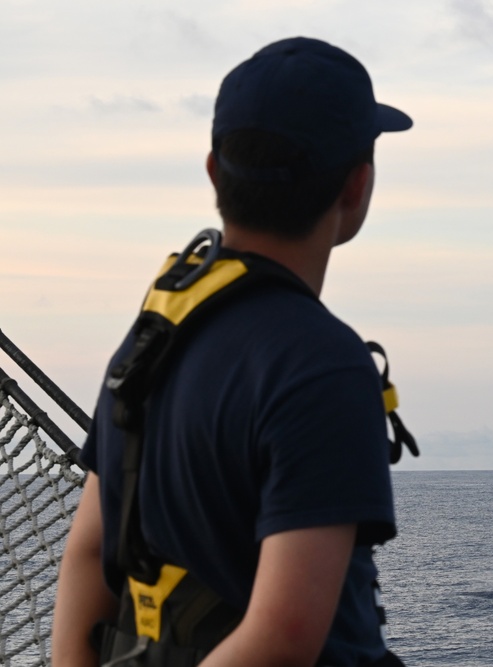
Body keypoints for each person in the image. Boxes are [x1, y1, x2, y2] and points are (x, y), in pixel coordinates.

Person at [52, 36, 412, 667]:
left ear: (215, 171)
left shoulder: (150, 340)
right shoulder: (323, 368)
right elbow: (281, 639)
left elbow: (87, 555)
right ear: (357, 187)